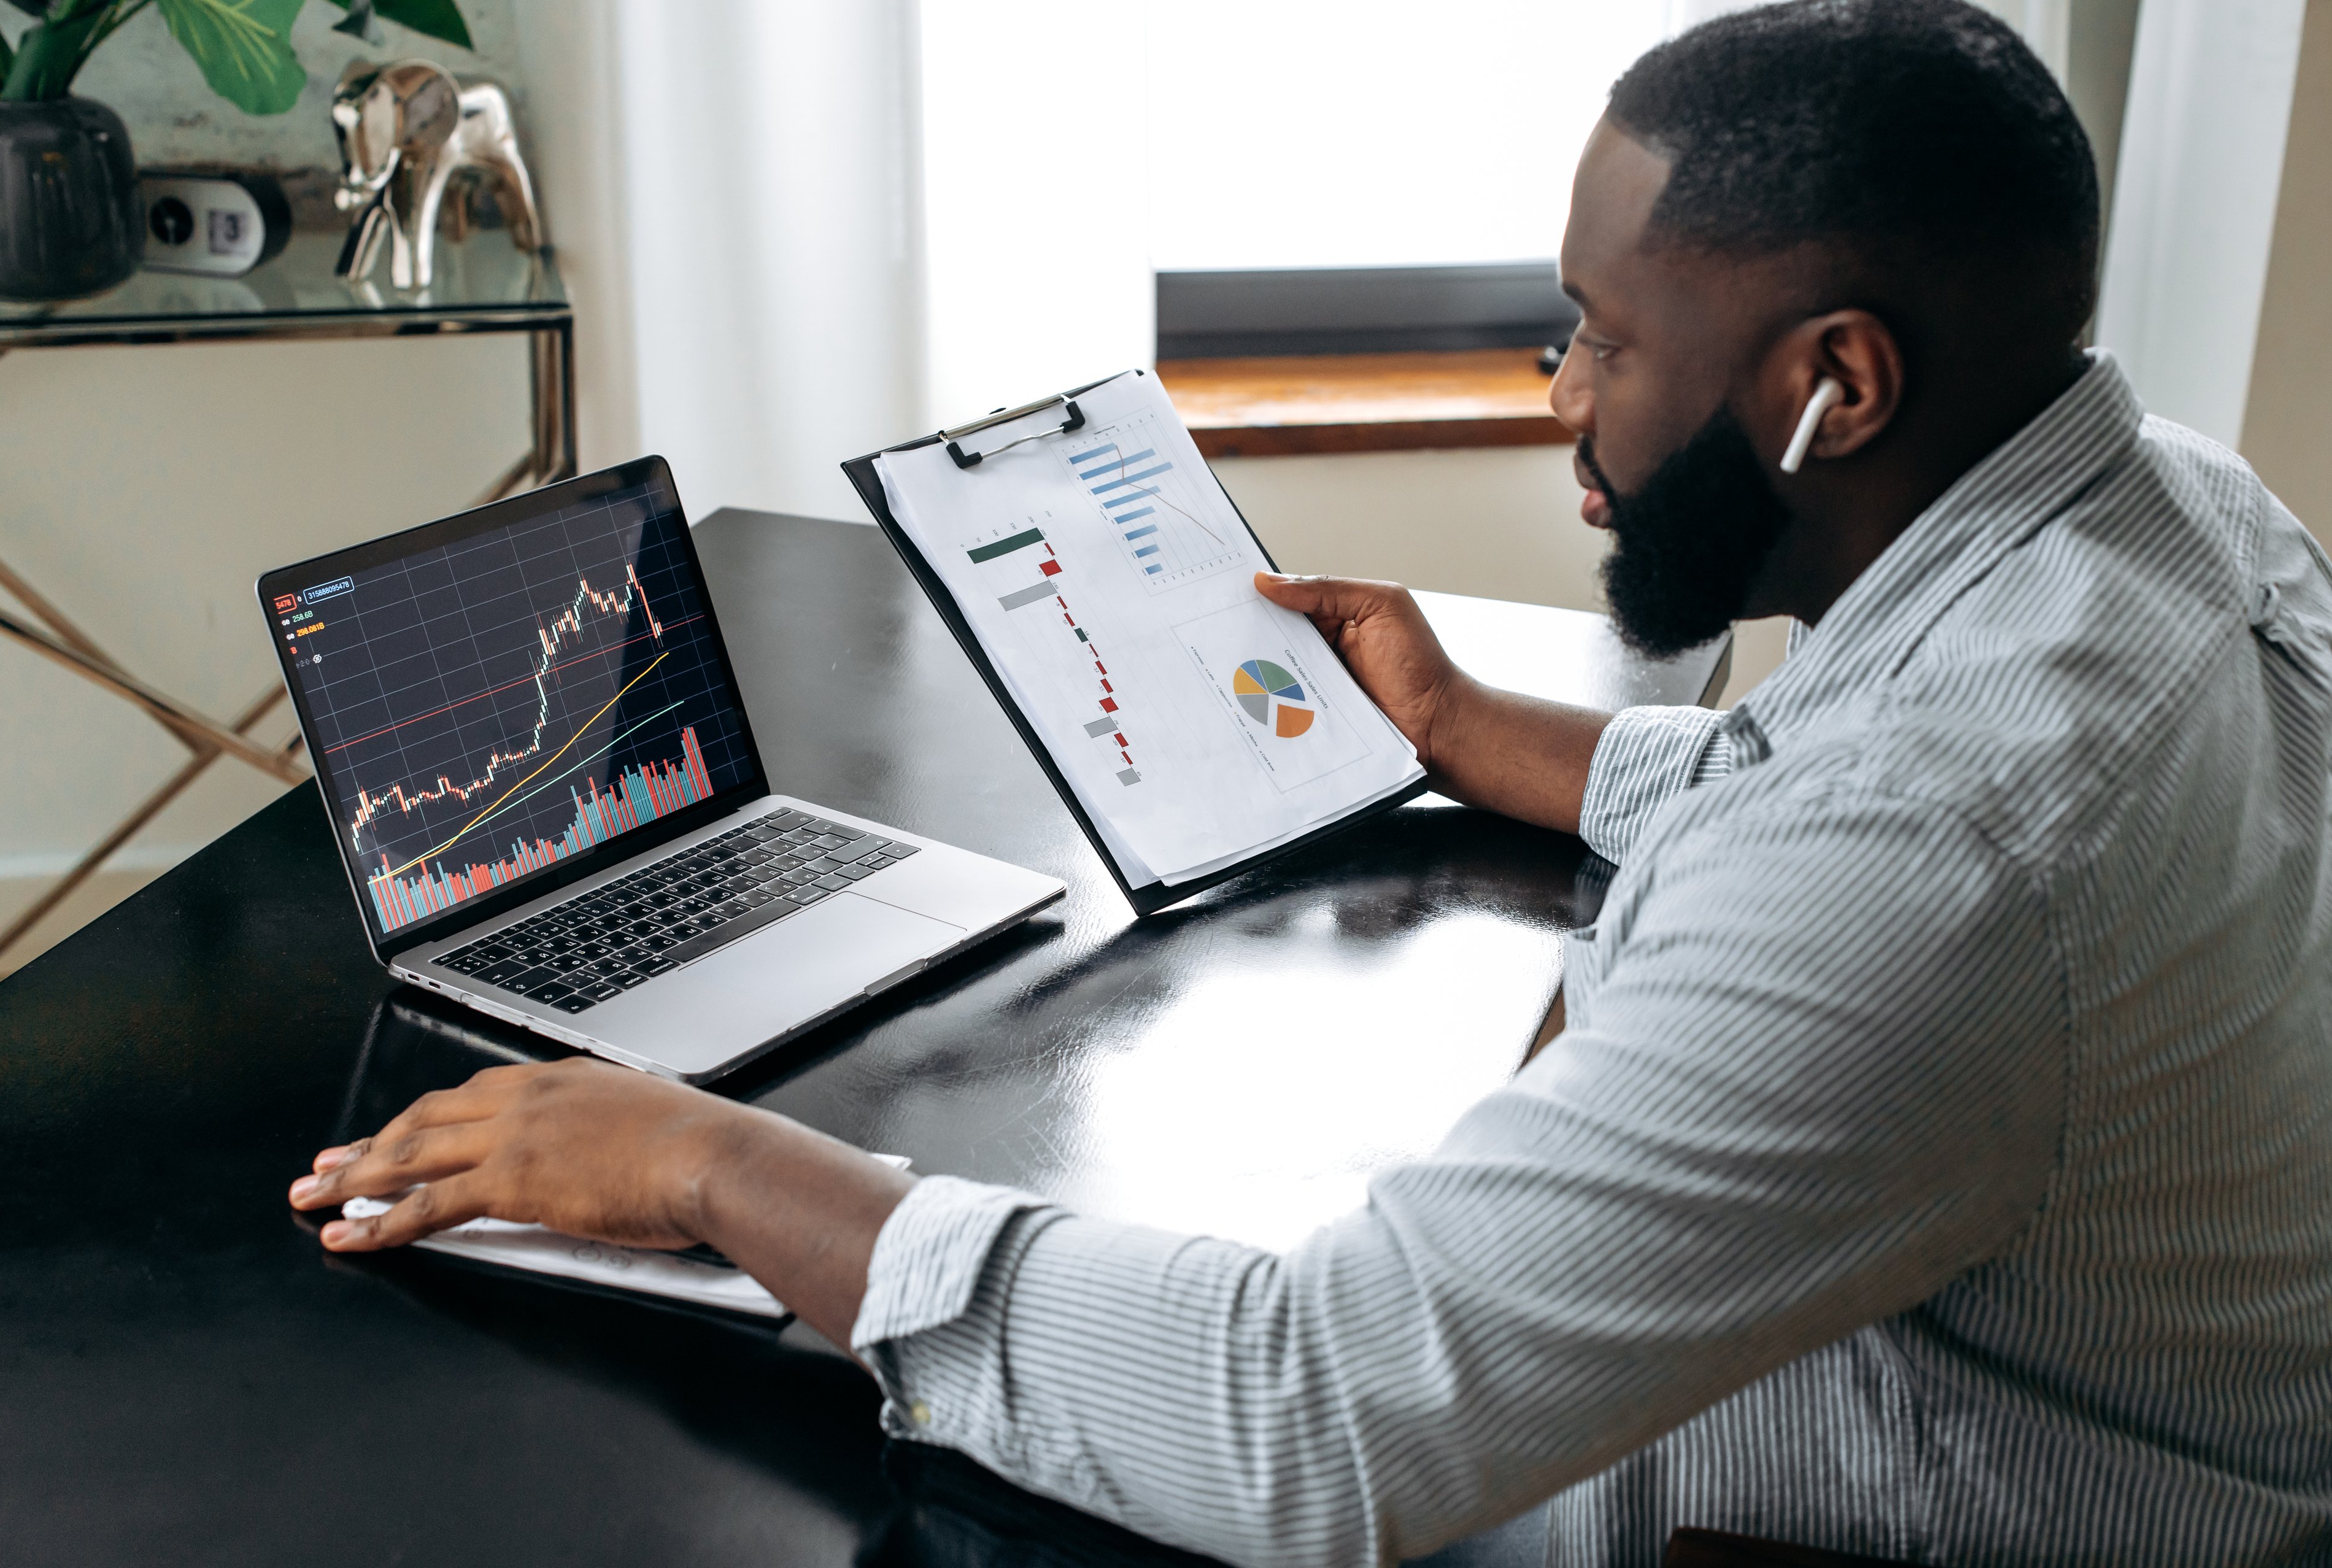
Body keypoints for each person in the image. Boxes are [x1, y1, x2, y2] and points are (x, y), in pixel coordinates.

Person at [288, 1, 2332, 1562]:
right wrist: (1475, 731)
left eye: (1603, 338)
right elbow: (1856, 780)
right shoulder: (2162, 519)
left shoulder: (1946, 850)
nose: (1565, 396)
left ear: (1837, 385)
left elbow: (1311, 1420)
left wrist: (711, 1163)